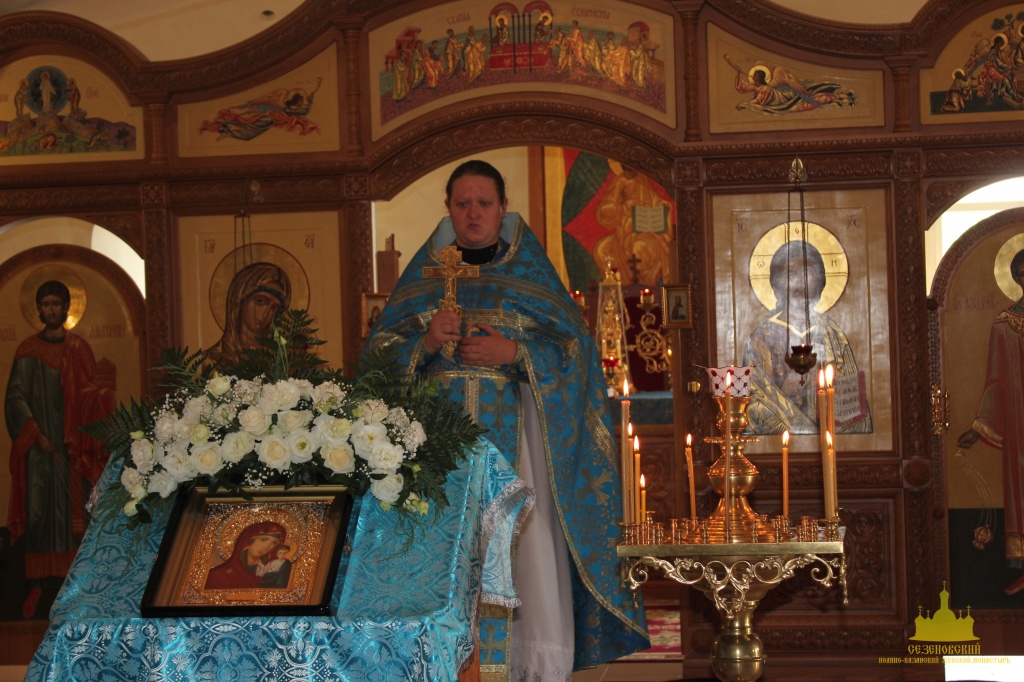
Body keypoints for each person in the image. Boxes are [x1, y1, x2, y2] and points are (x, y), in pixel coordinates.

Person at [365, 160, 647, 680]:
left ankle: (525, 667)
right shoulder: (424, 279)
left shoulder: (529, 276)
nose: (473, 213)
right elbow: (376, 357)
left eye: (484, 203)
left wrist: (515, 353)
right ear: (449, 209)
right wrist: (426, 343)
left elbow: (576, 353)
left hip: (517, 451)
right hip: (436, 457)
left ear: (502, 209)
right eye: (462, 203)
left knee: (525, 556)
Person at [5, 280, 115, 618]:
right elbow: (15, 397)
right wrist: (35, 432)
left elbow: (90, 392)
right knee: (38, 512)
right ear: (38, 309)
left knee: (72, 513)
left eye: (56, 304)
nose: (51, 310)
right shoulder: (27, 351)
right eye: (46, 304)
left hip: (72, 449)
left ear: (66, 308)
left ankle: (74, 582)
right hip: (38, 451)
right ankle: (38, 584)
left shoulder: (79, 347)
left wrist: (101, 394)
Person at [741, 240, 872, 435]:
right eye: (791, 273)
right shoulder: (761, 338)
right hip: (777, 443)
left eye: (807, 272)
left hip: (832, 440)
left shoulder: (832, 334)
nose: (799, 283)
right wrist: (784, 392)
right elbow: (750, 407)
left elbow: (854, 405)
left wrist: (829, 389)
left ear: (819, 280)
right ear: (776, 282)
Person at [958, 247, 1024, 595]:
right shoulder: (1004, 325)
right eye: (1022, 272)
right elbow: (996, 380)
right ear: (1015, 278)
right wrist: (978, 426)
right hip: (1019, 424)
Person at [208, 261, 291, 366]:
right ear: (241, 300)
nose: (265, 314)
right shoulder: (213, 360)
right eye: (260, 301)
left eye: (274, 308)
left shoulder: (280, 361)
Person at [205, 521, 286, 590]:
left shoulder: (272, 573)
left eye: (274, 543)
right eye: (263, 539)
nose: (266, 547)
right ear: (248, 539)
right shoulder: (219, 575)